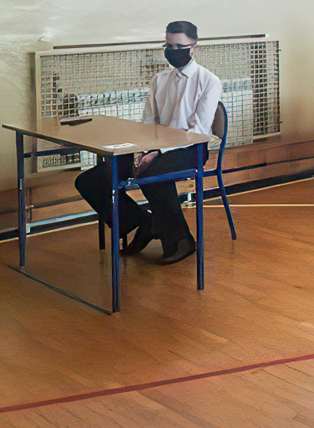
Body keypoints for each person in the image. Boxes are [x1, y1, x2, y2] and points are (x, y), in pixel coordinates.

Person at [74, 21, 220, 265]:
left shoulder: (209, 81)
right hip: (154, 146)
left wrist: (158, 151)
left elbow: (198, 131)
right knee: (91, 180)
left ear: (194, 46)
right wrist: (141, 150)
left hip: (190, 149)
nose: (173, 51)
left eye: (179, 46)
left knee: (152, 174)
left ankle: (181, 241)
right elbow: (148, 122)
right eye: (168, 46)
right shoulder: (160, 79)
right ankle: (145, 222)